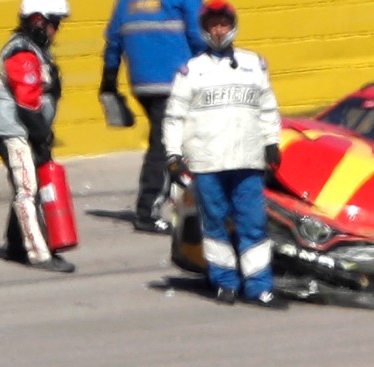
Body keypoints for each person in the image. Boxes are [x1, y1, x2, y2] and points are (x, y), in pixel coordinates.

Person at [162, 0, 284, 307]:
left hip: (248, 160)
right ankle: (224, 282)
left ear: (233, 26)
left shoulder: (254, 64)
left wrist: (272, 141)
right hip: (208, 163)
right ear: (204, 29)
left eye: (223, 24)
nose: (218, 30)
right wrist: (173, 155)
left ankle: (259, 287)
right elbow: (174, 117)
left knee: (252, 223)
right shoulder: (191, 71)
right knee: (215, 225)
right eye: (212, 25)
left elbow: (268, 107)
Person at [0, 0, 74, 273]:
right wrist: (42, 137)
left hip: (26, 130)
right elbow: (27, 104)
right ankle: (39, 254)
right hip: (14, 132)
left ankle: (16, 246)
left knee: (27, 186)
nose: (56, 30)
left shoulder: (36, 51)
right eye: (54, 23)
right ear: (37, 20)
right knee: (27, 190)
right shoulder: (22, 52)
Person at [100, 0, 201, 232]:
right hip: (174, 80)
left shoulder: (126, 2)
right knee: (165, 145)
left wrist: (109, 78)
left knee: (173, 140)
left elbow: (113, 38)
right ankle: (147, 210)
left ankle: (186, 201)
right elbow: (199, 34)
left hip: (142, 83)